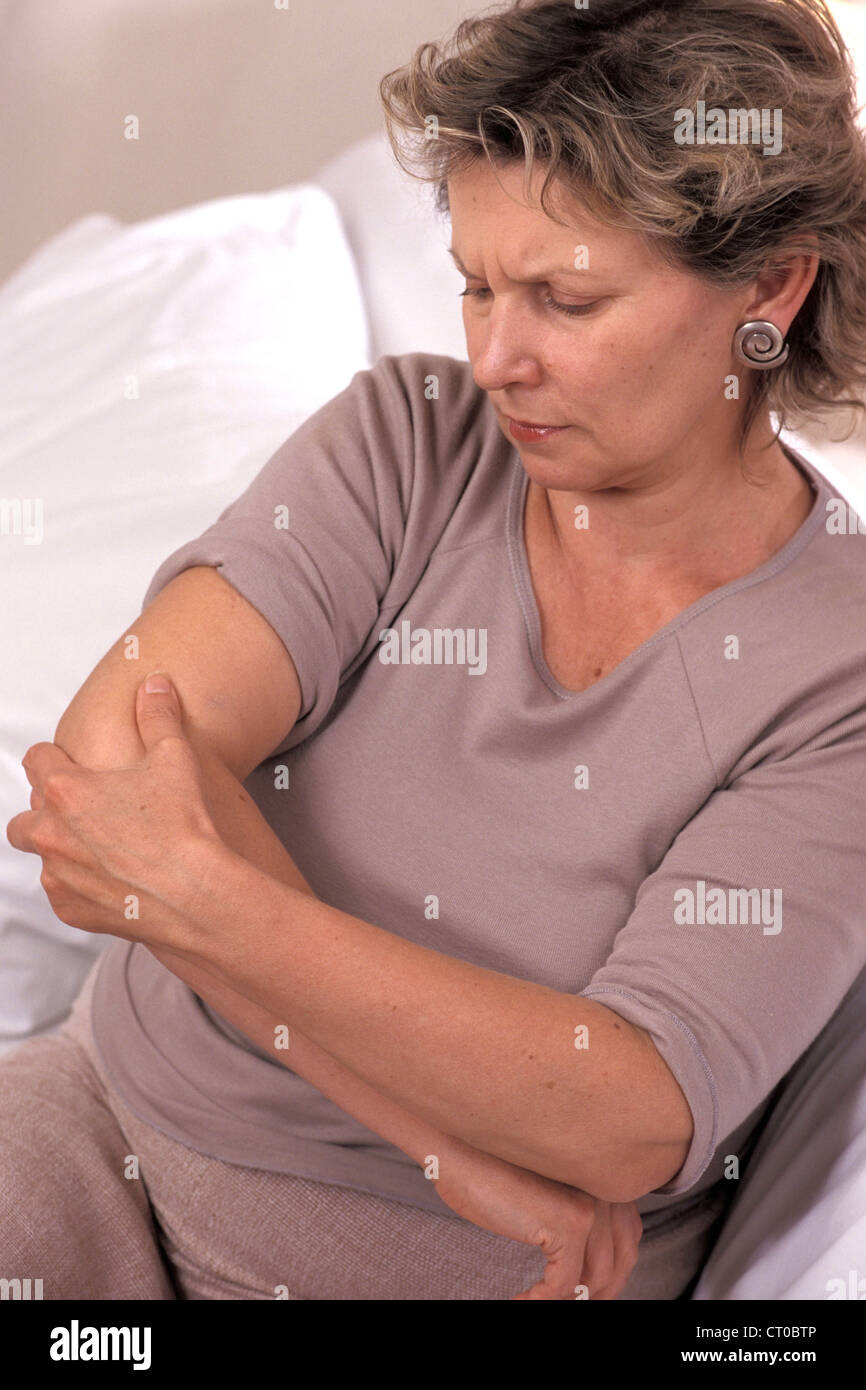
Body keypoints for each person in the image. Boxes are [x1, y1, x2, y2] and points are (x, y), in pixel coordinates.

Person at [4, 0, 866, 1301]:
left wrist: (193, 886)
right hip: (101, 1139)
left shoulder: (835, 668)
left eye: (563, 297)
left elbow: (627, 1106)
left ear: (767, 289)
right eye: (473, 282)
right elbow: (100, 780)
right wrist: (441, 1138)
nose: (493, 356)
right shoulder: (406, 440)